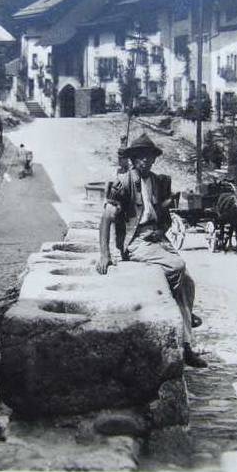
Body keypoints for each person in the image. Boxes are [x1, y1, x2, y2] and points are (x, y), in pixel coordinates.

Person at [96, 133, 208, 368]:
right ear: (134, 159)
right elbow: (107, 217)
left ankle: (186, 337)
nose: (145, 161)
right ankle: (184, 332)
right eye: (140, 157)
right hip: (135, 242)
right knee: (177, 267)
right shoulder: (123, 182)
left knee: (188, 282)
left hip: (156, 238)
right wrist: (104, 254)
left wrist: (163, 226)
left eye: (149, 157)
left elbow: (164, 215)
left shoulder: (158, 182)